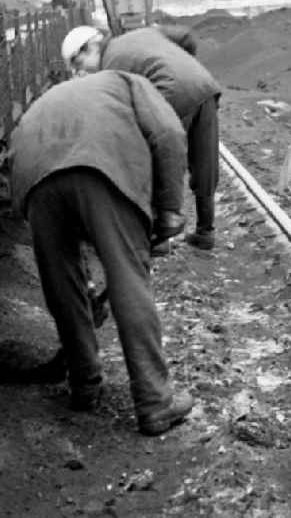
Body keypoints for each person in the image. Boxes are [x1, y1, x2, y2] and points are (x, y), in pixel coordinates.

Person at [9, 70, 194, 435]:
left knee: (61, 280)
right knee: (129, 278)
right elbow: (169, 134)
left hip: (32, 178)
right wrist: (170, 208)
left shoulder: (53, 99)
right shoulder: (130, 82)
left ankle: (83, 384)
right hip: (99, 162)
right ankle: (155, 403)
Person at [61, 24, 222, 250]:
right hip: (204, 84)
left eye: (80, 64)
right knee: (205, 163)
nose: (85, 72)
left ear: (90, 48)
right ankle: (206, 232)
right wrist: (185, 67)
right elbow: (185, 36)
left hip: (169, 92)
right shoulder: (145, 32)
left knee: (150, 155)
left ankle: (161, 234)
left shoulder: (111, 67)